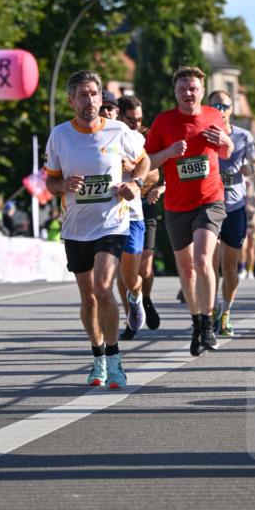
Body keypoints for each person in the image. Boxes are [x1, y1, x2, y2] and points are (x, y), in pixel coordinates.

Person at [45, 70, 149, 389]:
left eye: (93, 94)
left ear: (100, 96)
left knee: (104, 288)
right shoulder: (60, 135)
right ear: (71, 100)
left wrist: (135, 182)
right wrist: (63, 184)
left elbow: (144, 161)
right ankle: (98, 358)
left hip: (112, 223)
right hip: (76, 227)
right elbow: (49, 182)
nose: (89, 100)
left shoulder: (118, 131)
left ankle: (115, 360)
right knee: (88, 298)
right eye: (82, 95)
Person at [145, 66, 233, 356]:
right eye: (182, 89)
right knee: (186, 268)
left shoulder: (214, 116)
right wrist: (168, 153)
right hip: (176, 205)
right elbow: (148, 163)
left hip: (210, 199)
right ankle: (197, 322)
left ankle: (208, 323)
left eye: (193, 88)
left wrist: (225, 142)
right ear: (175, 92)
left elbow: (228, 150)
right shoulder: (163, 122)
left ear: (202, 90)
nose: (188, 93)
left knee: (202, 257)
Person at [207, 89, 255, 337]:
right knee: (209, 265)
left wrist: (252, 169)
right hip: (208, 207)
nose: (220, 110)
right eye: (215, 106)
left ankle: (226, 311)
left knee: (230, 266)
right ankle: (208, 313)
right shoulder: (202, 135)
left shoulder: (244, 136)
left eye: (224, 106)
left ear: (232, 109)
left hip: (235, 206)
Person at [115, 95, 155, 339]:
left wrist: (135, 173)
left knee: (142, 268)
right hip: (107, 215)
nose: (136, 125)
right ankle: (128, 316)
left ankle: (142, 298)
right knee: (111, 273)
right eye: (131, 120)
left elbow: (154, 172)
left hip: (142, 207)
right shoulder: (100, 135)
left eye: (139, 120)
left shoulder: (140, 138)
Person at [241, 177, 255, 279]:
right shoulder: (240, 197)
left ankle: (250, 270)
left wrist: (252, 209)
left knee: (251, 249)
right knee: (243, 247)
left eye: (248, 184)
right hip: (242, 225)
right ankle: (242, 269)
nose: (247, 186)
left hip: (253, 226)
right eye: (245, 184)